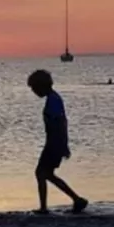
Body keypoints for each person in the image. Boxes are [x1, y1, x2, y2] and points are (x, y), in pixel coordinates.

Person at [27, 69, 88, 214]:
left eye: (34, 88)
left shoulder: (53, 101)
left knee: (42, 173)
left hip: (54, 143)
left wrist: (62, 145)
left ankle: (47, 207)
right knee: (45, 174)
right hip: (53, 142)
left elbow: (60, 124)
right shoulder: (53, 99)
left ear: (41, 86)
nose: (34, 92)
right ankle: (76, 199)